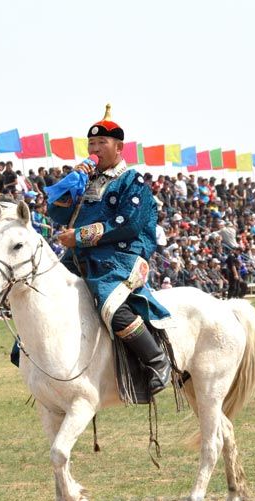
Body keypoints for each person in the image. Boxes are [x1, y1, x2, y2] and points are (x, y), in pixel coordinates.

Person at [48, 105, 172, 394]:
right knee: (45, 289)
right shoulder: (86, 179)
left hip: (120, 258)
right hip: (78, 257)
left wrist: (78, 236)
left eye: (101, 143)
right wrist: (70, 184)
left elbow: (127, 224)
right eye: (91, 143)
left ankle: (156, 359)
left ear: (119, 148)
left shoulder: (133, 181)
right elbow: (56, 213)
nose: (95, 148)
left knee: (109, 301)